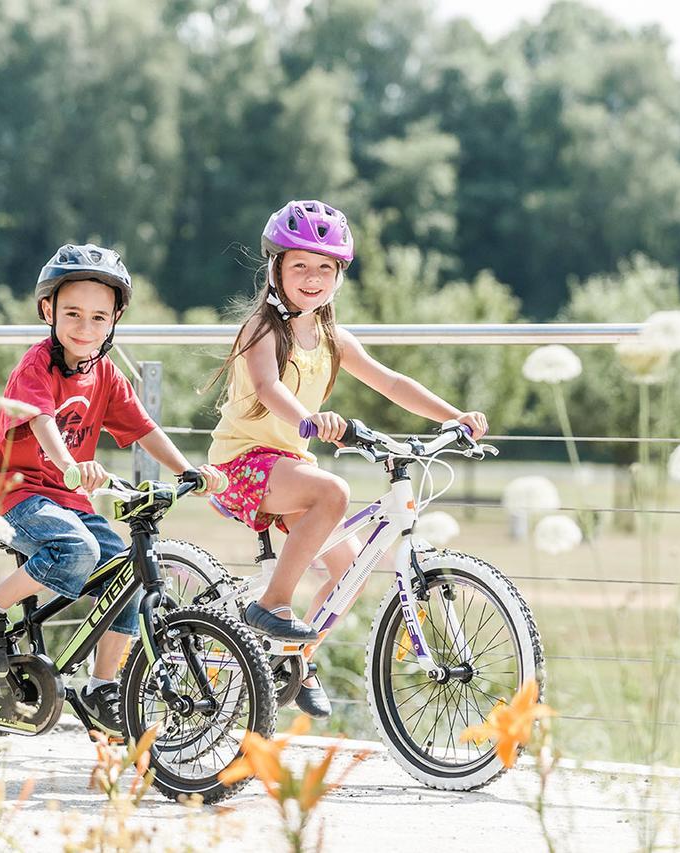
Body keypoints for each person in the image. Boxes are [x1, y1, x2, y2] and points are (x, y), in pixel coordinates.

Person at [206, 200, 488, 718]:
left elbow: (392, 382)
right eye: (299, 266)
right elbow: (269, 388)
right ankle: (271, 605)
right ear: (275, 269)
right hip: (241, 463)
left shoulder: (333, 338)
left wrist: (456, 417)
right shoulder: (262, 329)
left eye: (324, 268)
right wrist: (309, 422)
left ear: (338, 276)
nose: (312, 277)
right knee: (332, 491)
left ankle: (296, 660)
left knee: (351, 567)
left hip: (287, 467)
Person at [0, 243, 225, 736]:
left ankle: (101, 685)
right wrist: (69, 464)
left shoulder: (104, 373)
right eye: (72, 314)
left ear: (114, 321)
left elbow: (143, 428)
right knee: (75, 548)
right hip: (12, 492)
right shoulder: (36, 366)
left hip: (65, 498)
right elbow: (41, 419)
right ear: (48, 311)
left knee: (126, 571)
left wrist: (187, 470)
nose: (85, 328)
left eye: (98, 317)